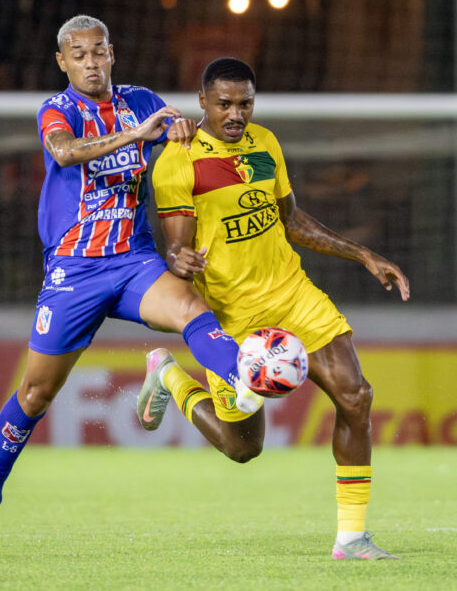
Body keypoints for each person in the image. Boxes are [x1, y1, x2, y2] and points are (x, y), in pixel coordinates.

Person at [0, 17, 260, 561]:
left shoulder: (142, 100)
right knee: (35, 396)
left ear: (113, 54)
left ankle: (243, 376)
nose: (91, 62)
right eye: (79, 54)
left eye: (99, 51)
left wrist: (182, 135)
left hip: (133, 261)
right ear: (63, 62)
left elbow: (180, 138)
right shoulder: (59, 110)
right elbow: (65, 153)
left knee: (190, 305)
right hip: (74, 271)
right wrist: (137, 137)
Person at [136, 57, 410, 561]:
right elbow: (175, 246)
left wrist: (362, 254)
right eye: (224, 104)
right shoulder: (178, 159)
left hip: (292, 295)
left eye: (245, 103)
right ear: (203, 102)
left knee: (357, 397)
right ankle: (168, 374)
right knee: (242, 448)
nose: (236, 114)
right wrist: (181, 257)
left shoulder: (266, 143)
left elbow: (291, 220)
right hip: (232, 316)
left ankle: (351, 538)